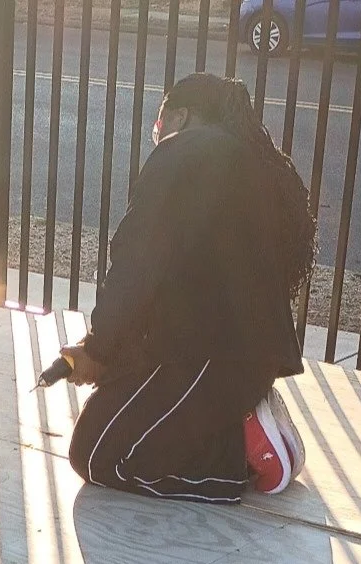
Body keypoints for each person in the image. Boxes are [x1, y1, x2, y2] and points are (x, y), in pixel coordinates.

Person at [61, 73, 316, 501]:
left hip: (211, 358)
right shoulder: (240, 160)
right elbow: (178, 275)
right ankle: (241, 413)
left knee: (96, 454)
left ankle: (241, 447)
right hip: (231, 357)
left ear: (181, 116)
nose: (158, 134)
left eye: (160, 123)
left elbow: (137, 260)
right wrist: (110, 354)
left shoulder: (184, 153)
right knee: (109, 415)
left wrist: (99, 348)